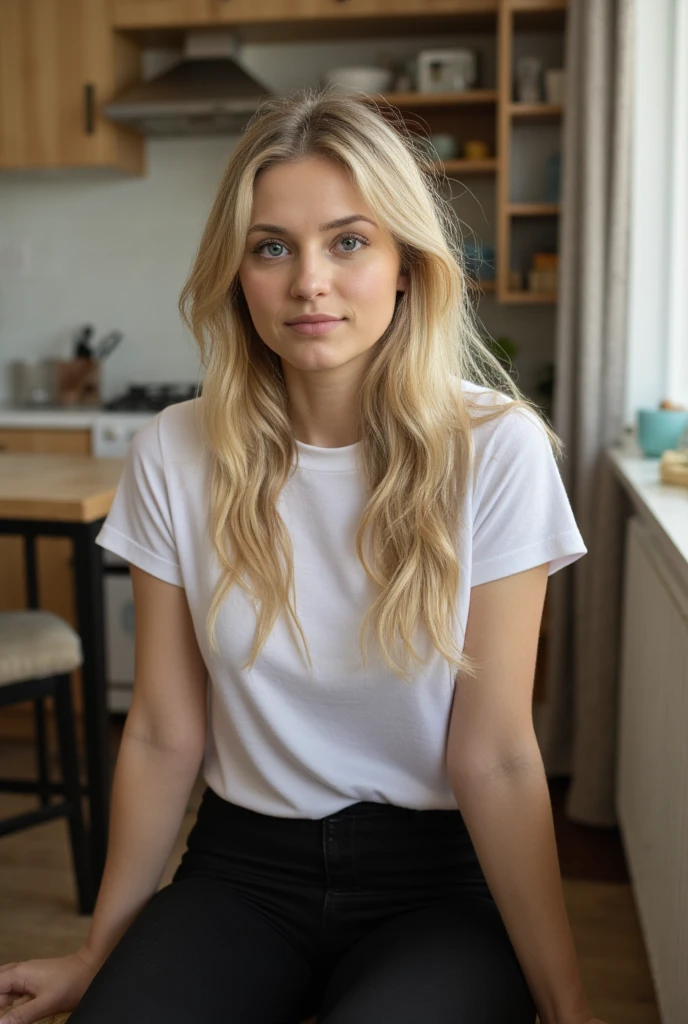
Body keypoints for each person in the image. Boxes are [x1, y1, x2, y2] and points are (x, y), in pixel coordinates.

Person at [0, 89, 609, 1024]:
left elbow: (496, 756)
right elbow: (164, 733)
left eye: (349, 241)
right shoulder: (174, 447)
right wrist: (98, 952)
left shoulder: (497, 448)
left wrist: (567, 1006)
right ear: (239, 273)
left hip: (438, 887)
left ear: (407, 264)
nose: (308, 281)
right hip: (242, 870)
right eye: (271, 245)